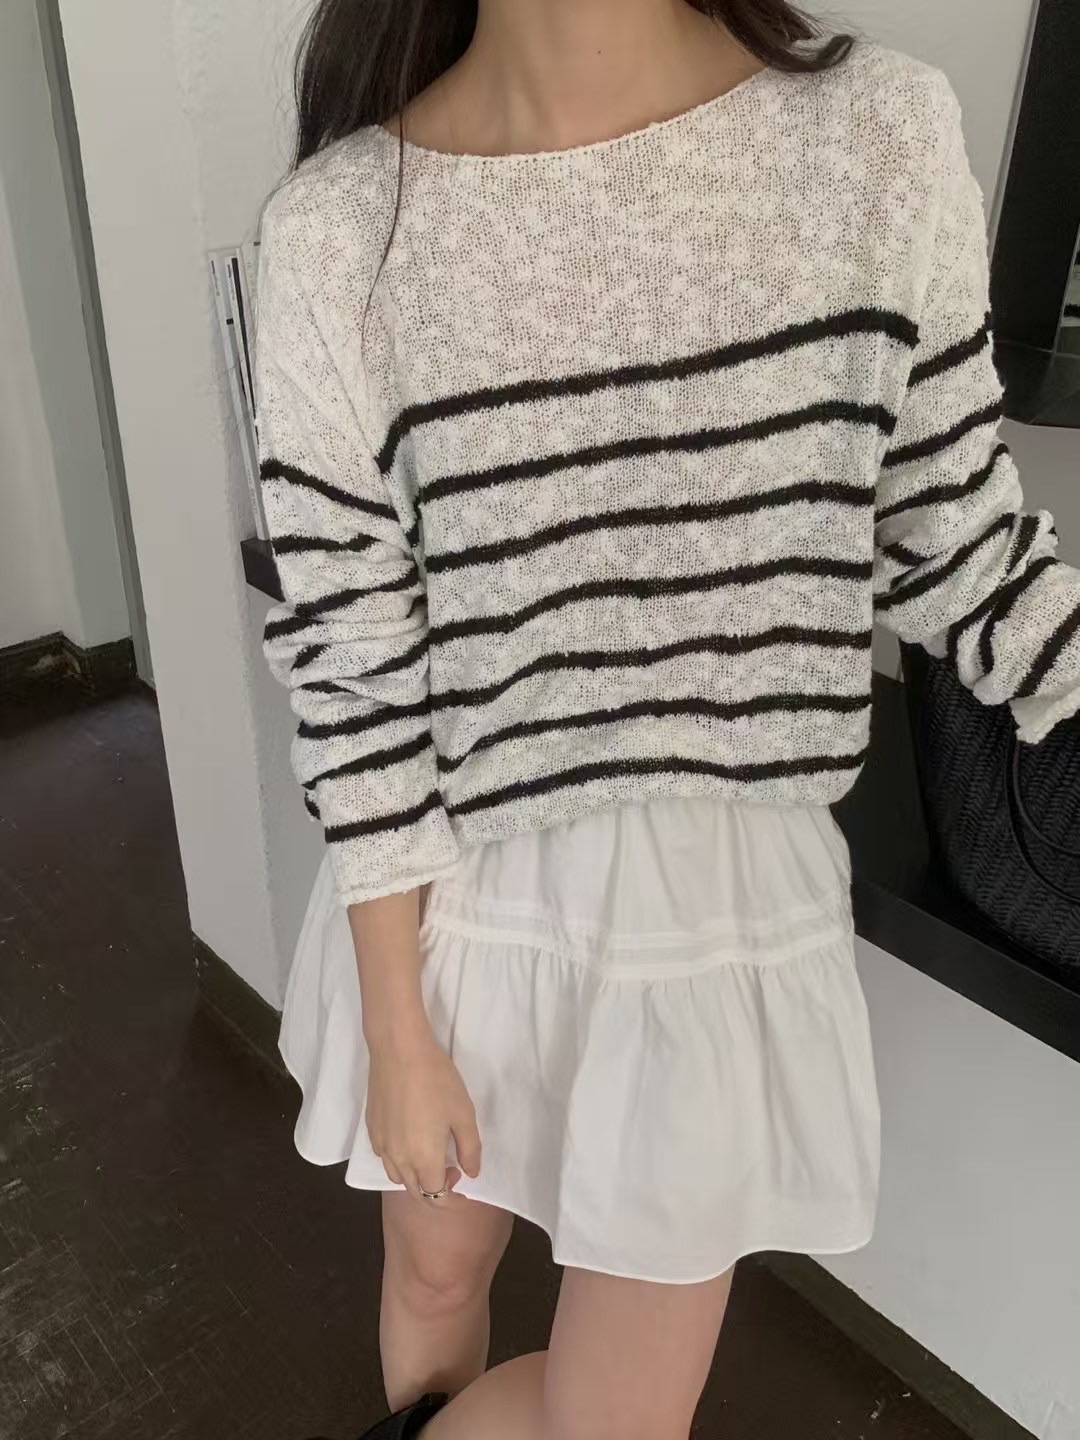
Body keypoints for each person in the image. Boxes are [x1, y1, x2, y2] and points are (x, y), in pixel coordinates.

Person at [254, 3, 1080, 1437]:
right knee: (436, 1279)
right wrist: (394, 1024)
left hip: (717, 913)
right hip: (448, 892)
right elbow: (355, 660)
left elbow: (957, 541)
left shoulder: (874, 138)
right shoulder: (337, 231)